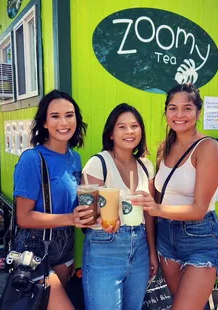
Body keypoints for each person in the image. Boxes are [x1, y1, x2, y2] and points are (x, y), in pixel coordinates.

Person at [132, 84, 218, 310]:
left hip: (199, 236)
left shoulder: (207, 148)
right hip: (166, 237)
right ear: (166, 112)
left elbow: (199, 209)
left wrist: (157, 209)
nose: (179, 115)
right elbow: (159, 198)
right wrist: (153, 249)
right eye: (173, 108)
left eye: (187, 108)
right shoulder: (166, 147)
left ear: (198, 113)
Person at [74, 103, 158, 310]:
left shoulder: (146, 166)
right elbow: (87, 213)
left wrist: (152, 252)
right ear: (111, 133)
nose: (129, 132)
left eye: (135, 126)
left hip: (139, 248)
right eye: (122, 127)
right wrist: (104, 219)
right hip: (105, 247)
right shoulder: (98, 163)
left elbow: (149, 215)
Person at [13, 89, 89, 310]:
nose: (63, 122)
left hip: (65, 247)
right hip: (35, 248)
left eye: (69, 114)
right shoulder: (32, 159)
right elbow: (23, 217)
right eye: (55, 116)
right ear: (44, 122)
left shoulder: (75, 158)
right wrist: (70, 218)